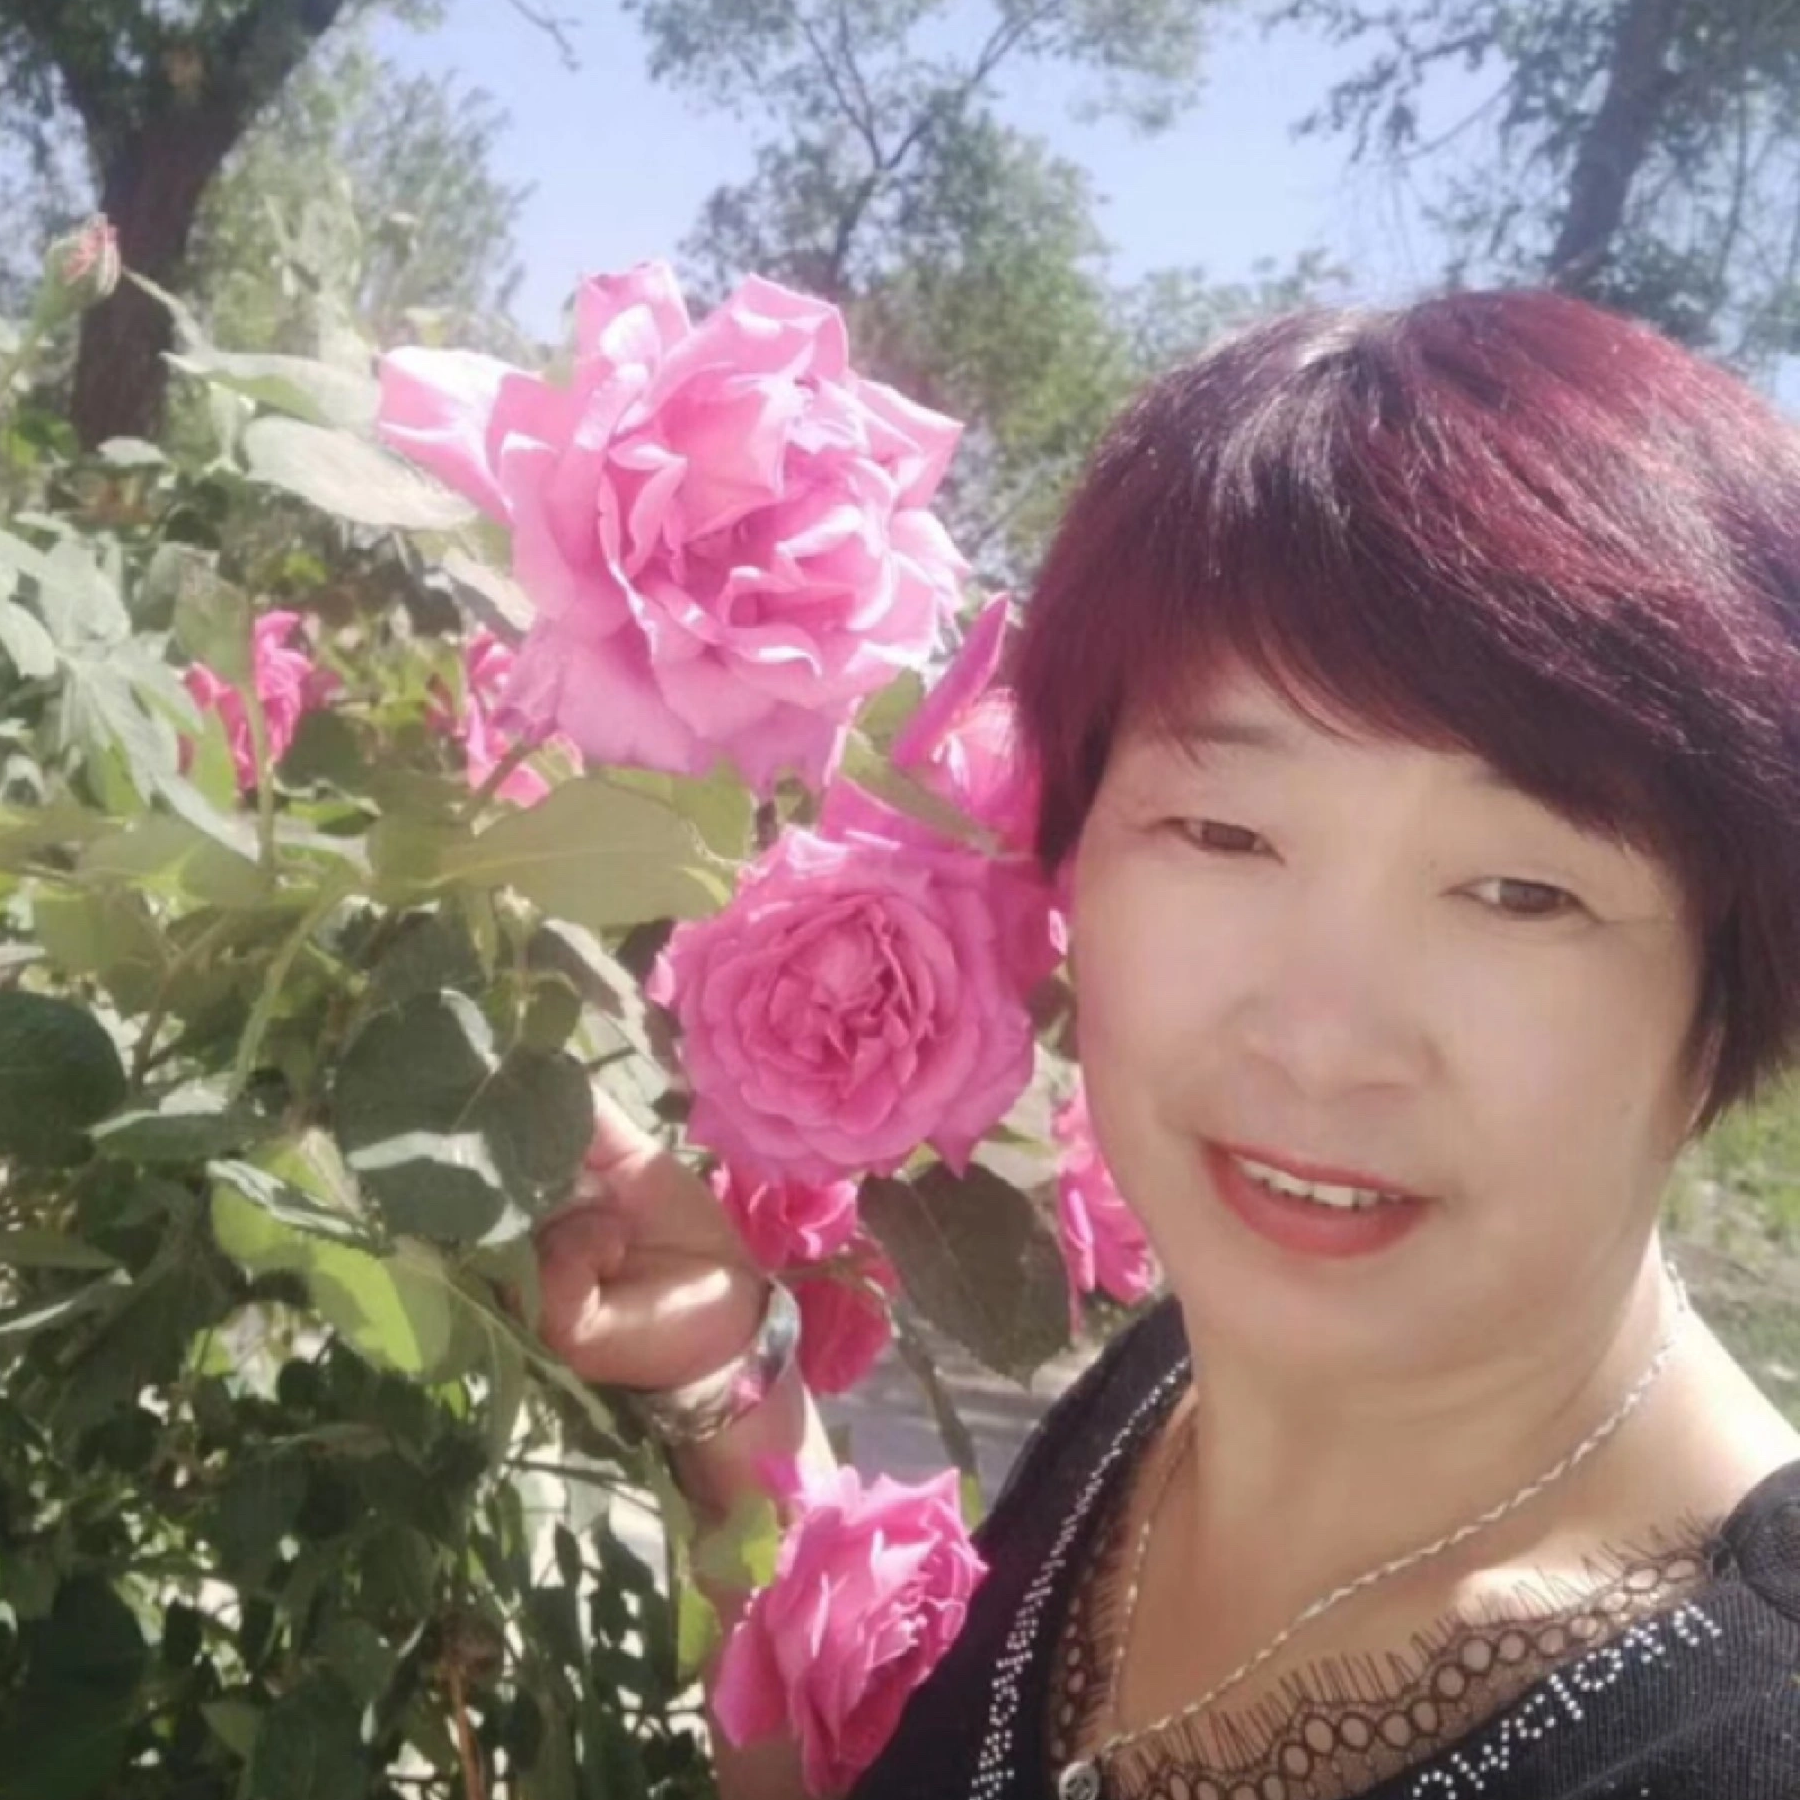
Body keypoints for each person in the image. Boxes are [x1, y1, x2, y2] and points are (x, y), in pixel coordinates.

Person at [533, 288, 1800, 1800]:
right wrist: (728, 1390)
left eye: (1521, 892)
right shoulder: (1177, 1390)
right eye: (1222, 830)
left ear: (1732, 984)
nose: (1319, 1044)